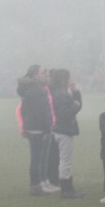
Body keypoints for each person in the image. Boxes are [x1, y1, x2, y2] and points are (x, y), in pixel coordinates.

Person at [18, 65, 58, 196]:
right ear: (35, 75)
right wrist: (47, 129)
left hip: (35, 127)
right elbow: (41, 111)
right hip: (38, 129)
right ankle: (37, 186)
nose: (46, 74)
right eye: (42, 72)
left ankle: (43, 183)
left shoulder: (34, 88)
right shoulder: (36, 90)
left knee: (40, 158)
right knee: (38, 159)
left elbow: (24, 110)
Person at [49, 69, 84, 198]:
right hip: (63, 130)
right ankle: (66, 189)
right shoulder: (61, 94)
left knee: (64, 160)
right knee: (65, 161)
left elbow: (76, 106)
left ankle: (67, 187)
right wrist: (75, 105)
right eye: (68, 78)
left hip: (60, 129)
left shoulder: (59, 92)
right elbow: (65, 113)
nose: (70, 80)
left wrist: (75, 93)